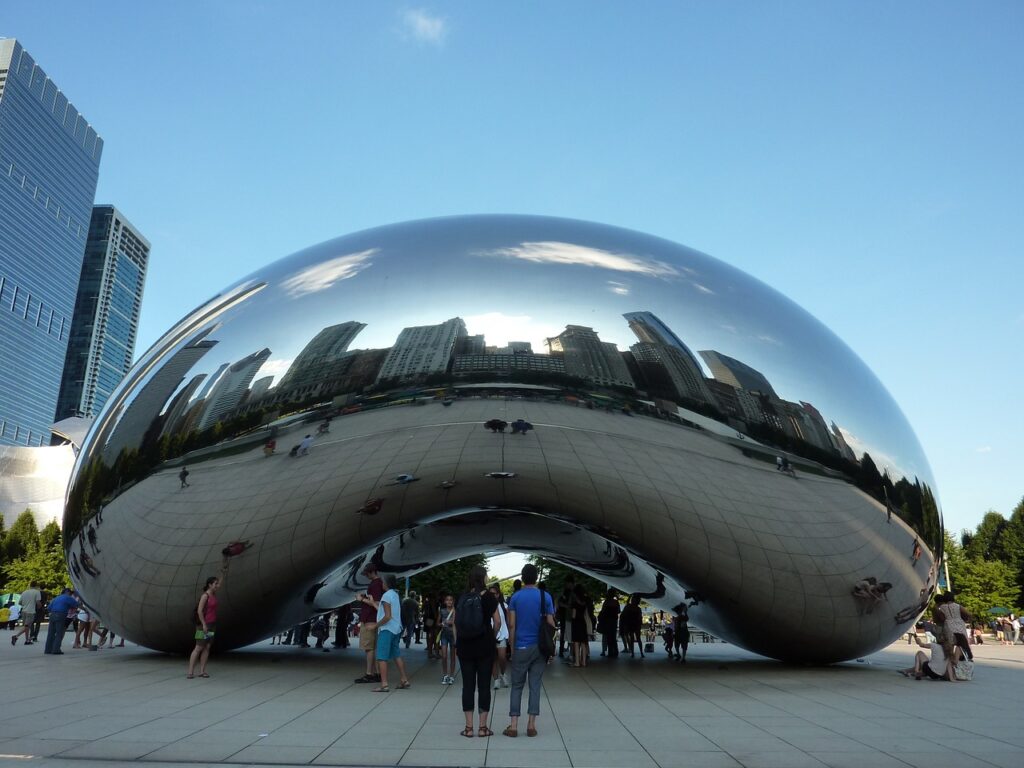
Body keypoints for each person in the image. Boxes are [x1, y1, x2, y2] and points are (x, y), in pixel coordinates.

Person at [503, 563, 556, 739]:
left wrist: (512, 645)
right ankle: (531, 725)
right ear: (536, 578)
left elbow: (512, 625)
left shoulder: (516, 598)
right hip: (540, 648)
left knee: (517, 686)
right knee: (535, 685)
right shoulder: (545, 597)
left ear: (523, 577)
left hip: (521, 646)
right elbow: (551, 623)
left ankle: (513, 725)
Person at [455, 565, 501, 737]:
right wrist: (492, 636)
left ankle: (468, 728)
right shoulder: (489, 597)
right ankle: (482, 728)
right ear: (483, 578)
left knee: (467, 686)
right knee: (484, 687)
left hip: (465, 646)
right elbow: (497, 622)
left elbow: (456, 623)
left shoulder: (463, 596)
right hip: (484, 647)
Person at [361, 574, 410, 692]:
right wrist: (373, 603)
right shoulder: (394, 595)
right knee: (396, 655)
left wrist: (375, 626)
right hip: (396, 629)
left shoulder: (386, 596)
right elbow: (384, 612)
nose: (381, 584)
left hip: (386, 630)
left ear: (386, 583)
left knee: (381, 657)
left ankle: (384, 684)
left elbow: (387, 616)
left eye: (383, 582)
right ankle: (404, 679)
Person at [187, 567, 225, 678]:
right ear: (210, 585)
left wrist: (223, 574)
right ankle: (190, 672)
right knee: (198, 647)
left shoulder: (213, 594)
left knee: (207, 647)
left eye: (217, 584)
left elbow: (220, 584)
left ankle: (202, 671)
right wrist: (203, 624)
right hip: (203, 626)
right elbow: (199, 611)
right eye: (215, 584)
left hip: (212, 625)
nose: (217, 585)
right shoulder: (205, 596)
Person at [354, 562, 384, 683]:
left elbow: (375, 603)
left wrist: (362, 599)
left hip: (369, 619)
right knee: (374, 647)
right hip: (373, 618)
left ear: (372, 572)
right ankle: (377, 673)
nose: (366, 576)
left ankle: (369, 673)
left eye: (367, 574)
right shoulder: (377, 583)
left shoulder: (376, 584)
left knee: (369, 647)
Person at [935, 593, 973, 660]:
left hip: (948, 625)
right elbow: (968, 614)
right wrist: (967, 620)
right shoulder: (958, 606)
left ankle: (951, 660)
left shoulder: (942, 608)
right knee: (963, 643)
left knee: (951, 644)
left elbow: (942, 618)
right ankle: (963, 658)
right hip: (959, 624)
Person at [43, 588, 79, 655]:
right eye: (70, 593)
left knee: (51, 633)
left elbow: (49, 608)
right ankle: (56, 649)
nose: (71, 594)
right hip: (61, 614)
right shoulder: (68, 597)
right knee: (59, 633)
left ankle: (48, 649)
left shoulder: (56, 598)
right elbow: (76, 604)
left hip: (52, 614)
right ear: (67, 592)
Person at [490, 583, 510, 689]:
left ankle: (503, 673)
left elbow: (509, 620)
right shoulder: (486, 605)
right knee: (493, 658)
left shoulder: (504, 605)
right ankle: (496, 679)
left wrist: (510, 635)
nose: (492, 595)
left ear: (498, 594)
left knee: (502, 657)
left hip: (501, 634)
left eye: (494, 593)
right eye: (490, 593)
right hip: (490, 635)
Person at [11, 582, 41, 646]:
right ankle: (16, 636)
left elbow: (20, 602)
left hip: (24, 611)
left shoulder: (24, 592)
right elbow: (38, 602)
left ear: (30, 586)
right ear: (36, 586)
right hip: (31, 611)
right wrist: (40, 607)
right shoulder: (37, 592)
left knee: (27, 626)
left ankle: (27, 640)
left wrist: (25, 605)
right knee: (27, 626)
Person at [570, 584, 592, 667]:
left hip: (576, 623)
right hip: (583, 623)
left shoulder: (575, 603)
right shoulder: (585, 602)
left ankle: (577, 662)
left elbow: (573, 615)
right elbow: (586, 614)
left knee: (576, 643)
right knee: (583, 643)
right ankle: (584, 662)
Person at [439, 594, 456, 684]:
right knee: (444, 656)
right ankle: (445, 675)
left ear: (453, 601)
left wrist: (450, 622)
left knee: (453, 657)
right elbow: (438, 623)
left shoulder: (455, 611)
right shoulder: (442, 611)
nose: (449, 601)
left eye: (451, 600)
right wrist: (441, 624)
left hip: (453, 635)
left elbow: (456, 622)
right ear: (445, 601)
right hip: (444, 634)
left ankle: (452, 675)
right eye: (447, 600)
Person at [597, 588, 619, 658]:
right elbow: (618, 611)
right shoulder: (616, 602)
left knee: (608, 637)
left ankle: (610, 652)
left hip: (607, 621)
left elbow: (603, 611)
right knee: (613, 637)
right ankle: (615, 651)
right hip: (614, 621)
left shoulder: (606, 602)